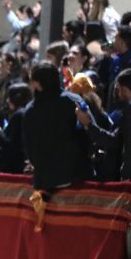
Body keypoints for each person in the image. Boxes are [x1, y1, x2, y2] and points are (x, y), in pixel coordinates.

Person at [77, 68, 131, 235]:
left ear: (124, 88)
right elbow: (116, 139)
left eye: (117, 89)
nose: (116, 93)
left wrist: (126, 177)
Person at [23, 62, 92, 192]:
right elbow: (89, 129)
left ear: (37, 84)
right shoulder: (73, 100)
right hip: (77, 174)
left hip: (46, 179)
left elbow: (29, 145)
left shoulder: (31, 110)